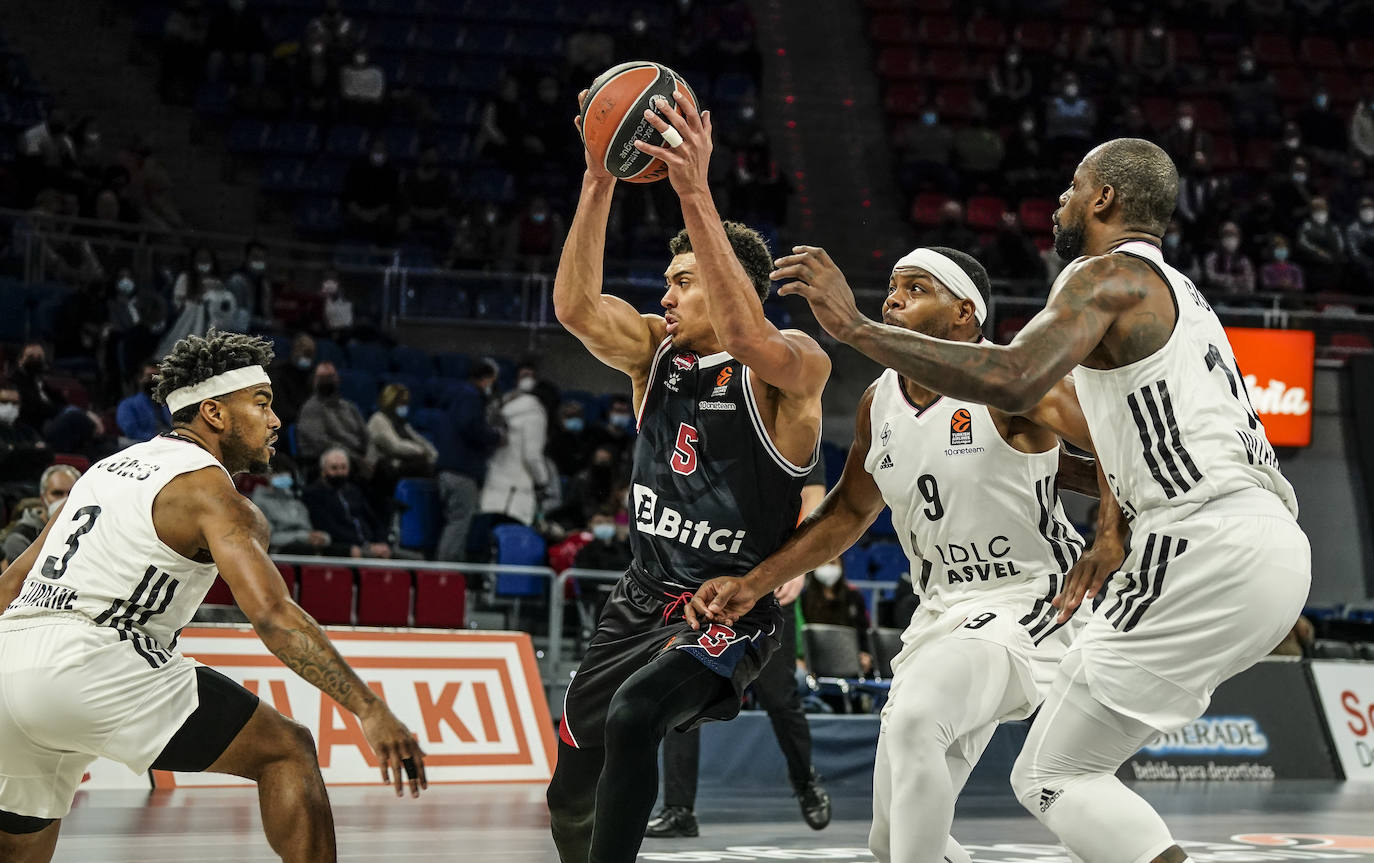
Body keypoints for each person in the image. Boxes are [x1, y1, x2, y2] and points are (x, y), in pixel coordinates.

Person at [751, 138, 1308, 863]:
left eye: (1072, 187)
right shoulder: (1182, 294)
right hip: (1263, 540)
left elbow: (1014, 376)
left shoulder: (1104, 274)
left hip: (1188, 542)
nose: (1059, 203)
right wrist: (1109, 530)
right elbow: (1116, 449)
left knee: (1051, 775)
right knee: (1034, 781)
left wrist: (856, 327)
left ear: (1104, 198)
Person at [688, 244, 1122, 863]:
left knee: (920, 719)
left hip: (1029, 602)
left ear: (964, 314)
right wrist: (754, 583)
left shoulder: (1009, 381)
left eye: (916, 288)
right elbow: (848, 512)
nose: (893, 298)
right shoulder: (878, 401)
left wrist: (1111, 532)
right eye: (892, 285)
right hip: (940, 614)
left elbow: (1116, 437)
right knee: (892, 839)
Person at [0, 330, 425, 863]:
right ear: (214, 413)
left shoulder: (100, 471)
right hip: (95, 659)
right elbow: (272, 615)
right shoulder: (216, 496)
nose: (276, 421)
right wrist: (368, 708)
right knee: (287, 751)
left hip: (10, 662)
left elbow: (13, 583)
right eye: (262, 404)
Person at [545, 87, 830, 863]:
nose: (664, 295)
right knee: (569, 787)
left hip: (728, 606)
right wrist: (600, 177)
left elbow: (745, 329)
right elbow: (574, 308)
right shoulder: (654, 352)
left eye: (684, 279)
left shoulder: (794, 368)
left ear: (730, 279)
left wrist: (695, 189)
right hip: (638, 599)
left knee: (639, 713)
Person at [646, 462, 832, 839]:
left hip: (769, 578)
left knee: (779, 696)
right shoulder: (707, 421)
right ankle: (679, 809)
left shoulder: (791, 413)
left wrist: (800, 566)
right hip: (707, 577)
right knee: (683, 687)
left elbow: (814, 494)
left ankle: (805, 781)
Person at [434, 359, 503, 562]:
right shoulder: (471, 397)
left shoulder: (456, 396)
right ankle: (445, 574)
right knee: (458, 523)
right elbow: (471, 427)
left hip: (448, 469)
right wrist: (495, 436)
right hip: (461, 471)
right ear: (486, 379)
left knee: (454, 521)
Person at [479, 367, 552, 527]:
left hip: (494, 486)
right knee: (510, 542)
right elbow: (532, 456)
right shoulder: (535, 414)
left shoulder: (507, 409)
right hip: (514, 495)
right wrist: (543, 480)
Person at [302, 447, 391, 560]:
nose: (339, 472)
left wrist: (381, 541)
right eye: (334, 468)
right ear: (323, 471)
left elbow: (372, 519)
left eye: (343, 468)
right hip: (339, 544)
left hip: (369, 544)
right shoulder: (313, 494)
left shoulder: (354, 491)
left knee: (411, 558)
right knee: (355, 552)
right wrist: (364, 545)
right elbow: (326, 526)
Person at [0, 465, 79, 568]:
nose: (65, 500)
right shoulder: (20, 538)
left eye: (71, 493)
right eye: (57, 493)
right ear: (43, 498)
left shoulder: (88, 531)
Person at [296, 361, 367, 468]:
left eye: (330, 376)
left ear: (337, 379)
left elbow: (366, 436)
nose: (327, 381)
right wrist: (355, 458)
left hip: (358, 456)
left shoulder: (349, 406)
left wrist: (370, 458)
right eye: (322, 377)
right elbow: (320, 442)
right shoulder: (310, 409)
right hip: (329, 460)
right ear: (315, 381)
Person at [366, 383, 437, 480]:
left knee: (431, 466)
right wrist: (421, 451)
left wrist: (431, 453)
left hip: (403, 465)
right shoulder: (378, 419)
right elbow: (395, 446)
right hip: (383, 469)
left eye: (406, 403)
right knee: (421, 463)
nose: (405, 407)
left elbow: (419, 439)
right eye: (401, 403)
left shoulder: (402, 423)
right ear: (391, 401)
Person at [116, 362, 172, 443]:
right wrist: (160, 440)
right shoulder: (127, 405)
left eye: (158, 377)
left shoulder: (169, 402)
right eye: (150, 377)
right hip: (146, 446)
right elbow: (132, 432)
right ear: (140, 379)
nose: (154, 380)